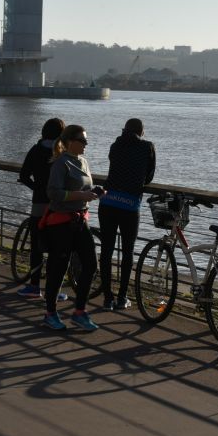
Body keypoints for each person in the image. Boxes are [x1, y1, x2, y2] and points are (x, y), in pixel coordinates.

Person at [41, 124, 101, 331]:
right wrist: (80, 196)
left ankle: (79, 312)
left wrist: (93, 193)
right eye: (82, 140)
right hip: (61, 222)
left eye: (86, 140)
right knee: (58, 268)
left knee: (91, 265)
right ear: (69, 142)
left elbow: (82, 189)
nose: (86, 144)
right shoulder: (61, 163)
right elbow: (53, 192)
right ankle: (50, 313)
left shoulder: (83, 161)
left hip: (80, 219)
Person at [97, 118, 156, 311]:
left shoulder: (116, 144)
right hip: (130, 205)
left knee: (107, 250)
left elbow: (113, 165)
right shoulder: (147, 147)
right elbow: (149, 177)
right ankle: (122, 298)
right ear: (141, 131)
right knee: (127, 252)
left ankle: (107, 298)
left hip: (108, 201)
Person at [15, 117, 65, 299]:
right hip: (59, 204)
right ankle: (53, 289)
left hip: (39, 203)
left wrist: (36, 188)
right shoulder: (63, 153)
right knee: (57, 247)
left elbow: (24, 175)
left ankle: (34, 286)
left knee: (37, 245)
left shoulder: (36, 150)